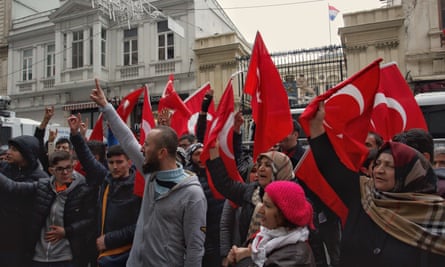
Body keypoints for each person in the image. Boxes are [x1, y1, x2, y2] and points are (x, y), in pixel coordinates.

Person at [308, 102, 445, 266]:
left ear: (410, 174)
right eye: (378, 163)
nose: (379, 170)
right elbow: (330, 166)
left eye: (390, 166)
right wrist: (316, 126)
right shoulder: (363, 195)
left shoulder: (434, 213)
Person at [90, 78, 207, 267]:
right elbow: (127, 140)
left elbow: (195, 248)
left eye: (146, 145)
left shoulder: (192, 194)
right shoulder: (151, 176)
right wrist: (106, 107)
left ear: (162, 153)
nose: (141, 149)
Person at [68, 114, 142, 266]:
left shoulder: (139, 187)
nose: (115, 166)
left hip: (128, 253)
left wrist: (109, 240)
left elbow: (140, 225)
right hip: (105, 254)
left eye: (119, 162)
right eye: (111, 162)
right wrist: (75, 135)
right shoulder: (106, 179)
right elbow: (87, 159)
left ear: (129, 162)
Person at [0, 150, 95, 267]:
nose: (65, 172)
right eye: (60, 169)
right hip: (39, 257)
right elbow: (14, 188)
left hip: (66, 257)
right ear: (51, 170)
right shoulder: (42, 186)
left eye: (69, 168)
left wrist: (67, 231)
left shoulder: (83, 191)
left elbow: (91, 220)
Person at [207, 145, 296, 266]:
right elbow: (224, 184)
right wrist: (214, 152)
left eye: (268, 165)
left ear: (281, 170)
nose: (261, 169)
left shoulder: (295, 202)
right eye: (260, 164)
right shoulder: (250, 191)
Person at [227, 181, 316, 267]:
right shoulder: (265, 240)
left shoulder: (293, 258)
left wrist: (243, 260)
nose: (260, 210)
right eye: (262, 203)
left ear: (284, 214)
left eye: (268, 206)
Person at [0, 135, 49, 267]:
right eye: (9, 148)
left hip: (23, 240)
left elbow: (14, 188)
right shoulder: (5, 168)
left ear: (27, 153)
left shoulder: (41, 178)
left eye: (14, 149)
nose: (8, 152)